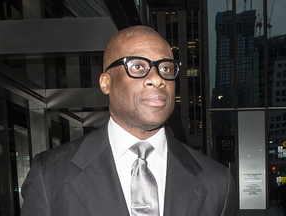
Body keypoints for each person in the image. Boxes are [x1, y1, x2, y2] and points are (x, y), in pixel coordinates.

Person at [20, 25, 236, 216]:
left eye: (166, 68)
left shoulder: (218, 182)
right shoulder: (50, 175)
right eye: (138, 67)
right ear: (106, 82)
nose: (157, 78)